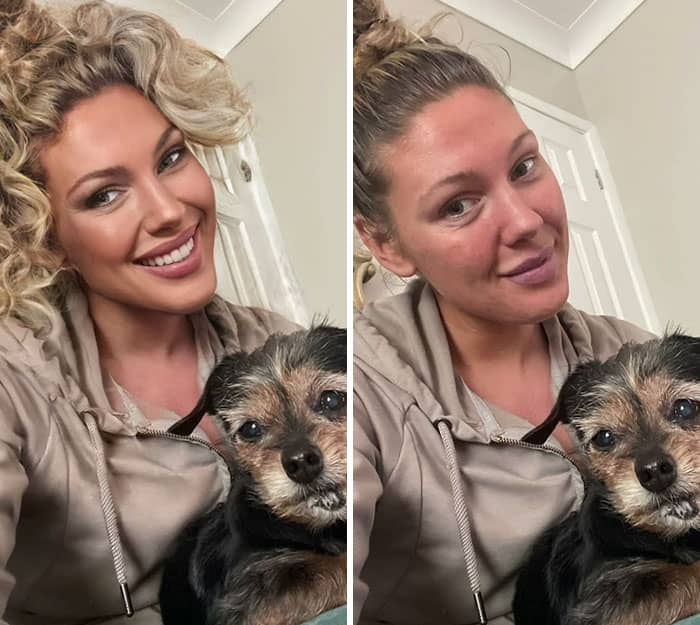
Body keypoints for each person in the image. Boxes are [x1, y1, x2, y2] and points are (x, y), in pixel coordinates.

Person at [352, 1, 656, 624]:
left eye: (524, 166)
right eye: (458, 205)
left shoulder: (632, 355)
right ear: (386, 243)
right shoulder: (358, 390)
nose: (526, 221)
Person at [0, 1, 300, 623]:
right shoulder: (16, 381)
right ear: (45, 238)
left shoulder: (282, 345)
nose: (168, 210)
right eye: (105, 195)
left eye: (170, 158)